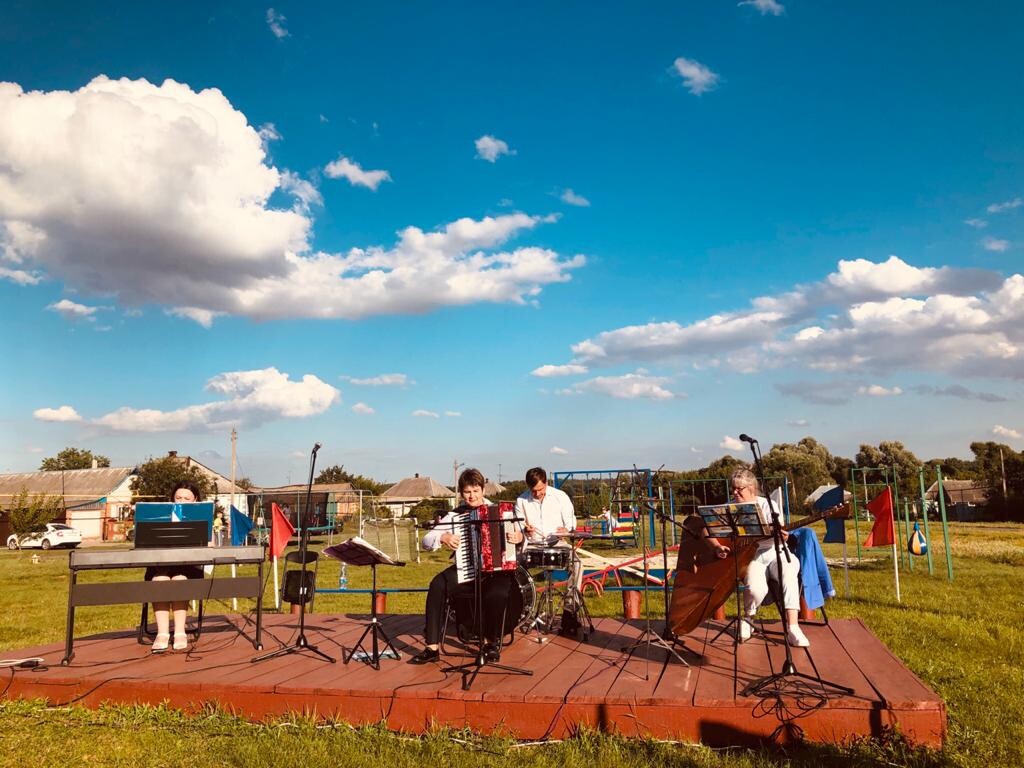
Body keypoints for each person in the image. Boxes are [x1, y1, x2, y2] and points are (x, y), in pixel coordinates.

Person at [409, 468, 525, 665]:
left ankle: (490, 643)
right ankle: (432, 647)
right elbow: (426, 541)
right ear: (462, 493)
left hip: (496, 572)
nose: (471, 496)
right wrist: (443, 537)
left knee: (496, 592)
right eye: (467, 492)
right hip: (467, 570)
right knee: (438, 585)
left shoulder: (502, 512)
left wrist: (519, 537)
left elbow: (522, 538)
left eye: (475, 491)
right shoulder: (455, 516)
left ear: (483, 490)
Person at [712, 468, 809, 648]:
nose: (734, 492)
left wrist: (784, 536)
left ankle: (793, 627)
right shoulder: (729, 507)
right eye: (732, 488)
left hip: (775, 550)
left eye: (739, 489)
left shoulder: (768, 505)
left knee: (789, 567)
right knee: (755, 589)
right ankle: (748, 619)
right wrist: (718, 546)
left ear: (752, 488)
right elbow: (707, 528)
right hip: (750, 554)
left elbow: (782, 532)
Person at [145, 481, 206, 652]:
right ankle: (162, 633)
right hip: (161, 565)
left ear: (195, 501)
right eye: (178, 497)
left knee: (180, 579)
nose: (181, 501)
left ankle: (180, 631)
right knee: (160, 579)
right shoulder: (160, 517)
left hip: (189, 567)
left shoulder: (202, 517)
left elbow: (209, 547)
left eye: (187, 498)